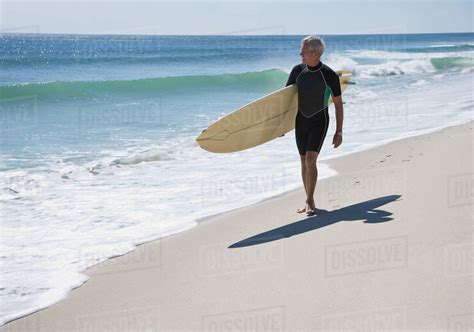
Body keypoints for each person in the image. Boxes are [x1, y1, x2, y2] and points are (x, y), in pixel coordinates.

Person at [286, 35, 344, 216]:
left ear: (314, 53)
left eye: (302, 50)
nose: (299, 53)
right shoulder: (297, 71)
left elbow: (339, 103)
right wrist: (280, 126)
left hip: (320, 121)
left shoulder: (329, 75)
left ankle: (310, 200)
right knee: (303, 161)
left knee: (311, 159)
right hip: (300, 121)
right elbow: (286, 100)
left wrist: (339, 131)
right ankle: (307, 198)